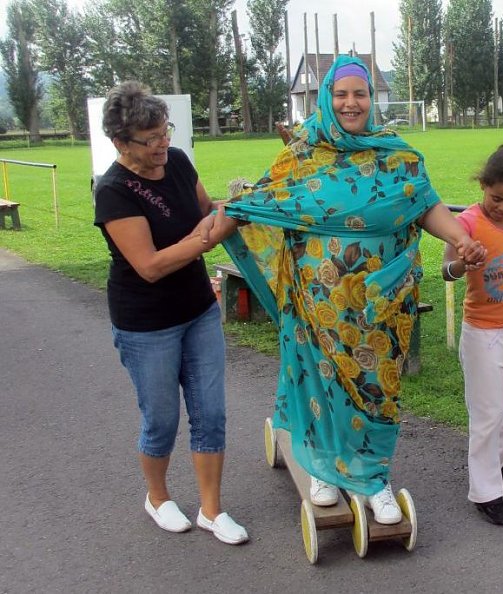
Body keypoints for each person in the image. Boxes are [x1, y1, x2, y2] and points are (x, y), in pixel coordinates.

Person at [220, 55, 485, 525]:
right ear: (326, 98)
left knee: (377, 385)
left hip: (380, 301)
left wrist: (461, 237)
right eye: (341, 94)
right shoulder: (301, 156)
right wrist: (204, 230)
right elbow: (260, 202)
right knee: (321, 378)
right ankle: (322, 465)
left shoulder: (397, 156)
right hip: (315, 303)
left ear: (371, 99)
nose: (350, 103)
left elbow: (424, 205)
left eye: (359, 94)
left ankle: (373, 475)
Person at [93, 81, 248, 545]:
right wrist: (207, 236)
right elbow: (150, 265)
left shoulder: (177, 162)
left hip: (198, 309)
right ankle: (158, 498)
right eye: (151, 138)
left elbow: (207, 209)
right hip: (145, 324)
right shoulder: (114, 191)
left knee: (211, 413)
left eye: (166, 132)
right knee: (161, 417)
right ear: (122, 143)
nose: (163, 145)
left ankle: (211, 510)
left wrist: (239, 206)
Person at [441, 145, 503, 525]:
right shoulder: (466, 223)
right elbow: (446, 271)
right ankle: (486, 493)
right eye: (496, 198)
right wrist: (462, 264)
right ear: (482, 185)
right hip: (481, 332)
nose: (502, 207)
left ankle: (489, 463)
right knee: (486, 416)